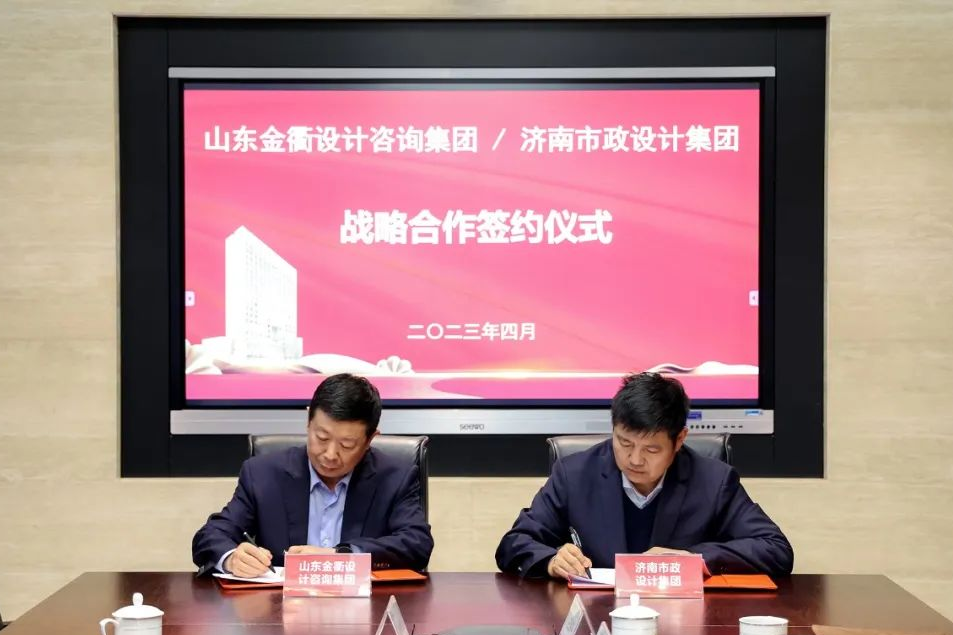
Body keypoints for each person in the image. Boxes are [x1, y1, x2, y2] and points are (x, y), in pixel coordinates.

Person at [495, 372, 793, 579]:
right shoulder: (574, 475)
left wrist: (696, 560)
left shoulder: (714, 481)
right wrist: (551, 560)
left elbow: (776, 550)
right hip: (597, 618)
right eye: (624, 443)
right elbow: (514, 543)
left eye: (651, 449)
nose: (634, 459)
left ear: (679, 440)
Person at [192, 373, 433, 577]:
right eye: (322, 438)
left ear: (371, 439)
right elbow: (210, 535)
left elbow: (417, 543)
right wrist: (232, 558)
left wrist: (341, 557)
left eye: (347, 445)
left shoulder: (395, 477)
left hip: (364, 609)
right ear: (308, 421)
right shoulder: (263, 474)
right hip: (277, 610)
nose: (330, 454)